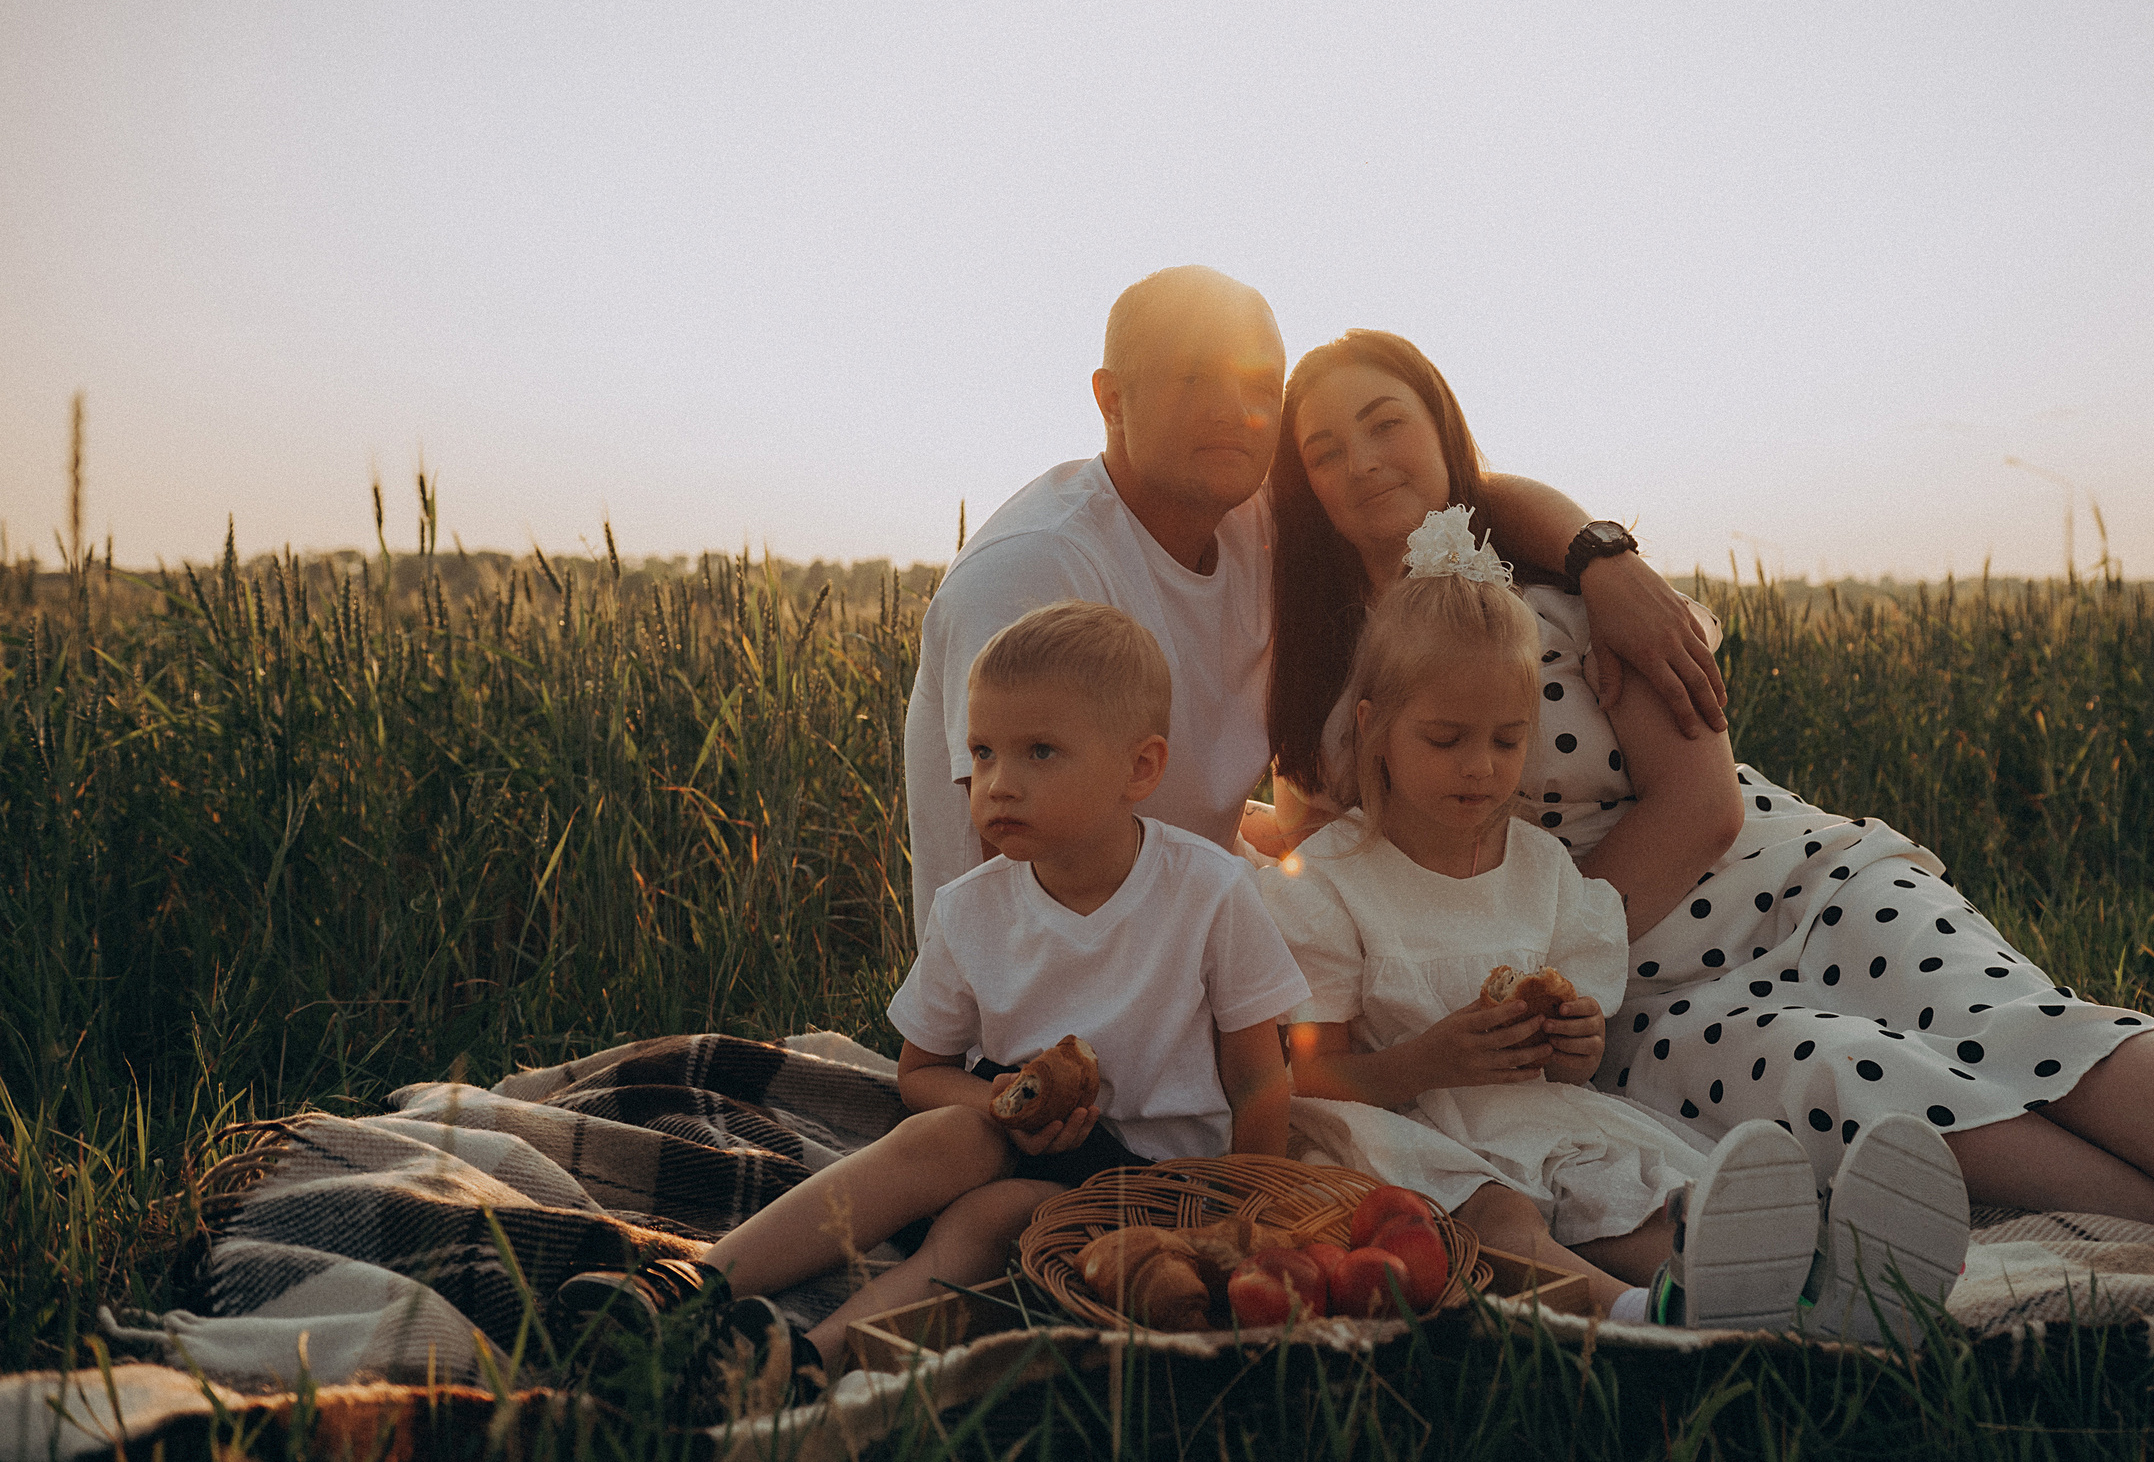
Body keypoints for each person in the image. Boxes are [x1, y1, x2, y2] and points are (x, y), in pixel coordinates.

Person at [1266, 328, 2154, 1374]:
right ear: (1307, 491)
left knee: (2028, 1034)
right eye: (1325, 447)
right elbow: (1345, 866)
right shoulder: (1335, 679)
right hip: (1636, 1004)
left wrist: (1536, 933)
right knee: (1865, 1079)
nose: (1364, 458)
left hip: (1782, 883)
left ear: (1443, 425)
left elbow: (1703, 803)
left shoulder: (1574, 592)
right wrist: (1529, 973)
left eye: (1387, 419)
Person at [561, 601, 1308, 1408]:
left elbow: (1258, 1079)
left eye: (1040, 751)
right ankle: (687, 1282)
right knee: (949, 1130)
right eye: (983, 752)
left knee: (995, 1214)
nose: (1000, 782)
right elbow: (921, 1071)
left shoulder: (1208, 893)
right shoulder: (972, 907)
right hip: (1008, 1137)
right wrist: (995, 1100)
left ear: (1140, 767)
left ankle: (808, 1357)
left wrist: (1233, 1220)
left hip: (1150, 1184)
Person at [1260, 526, 1969, 1339]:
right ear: (1374, 725)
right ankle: (1637, 1311)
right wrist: (1426, 1060)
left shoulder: (1539, 867)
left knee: (1629, 1186)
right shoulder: (1336, 879)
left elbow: (1583, 1056)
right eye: (1446, 739)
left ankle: (1823, 1284)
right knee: (1490, 1213)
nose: (1482, 767)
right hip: (1400, 1130)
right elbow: (1307, 1075)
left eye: (1507, 739)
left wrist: (1573, 1038)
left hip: (1536, 1117)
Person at [905, 265, 1730, 940]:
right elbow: (1005, 875)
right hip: (1069, 956)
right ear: (1112, 399)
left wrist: (1600, 559)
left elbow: (1447, 493)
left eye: (1261, 384)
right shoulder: (1036, 569)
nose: (1237, 410)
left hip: (1194, 912)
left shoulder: (1248, 515)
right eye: (1195, 377)